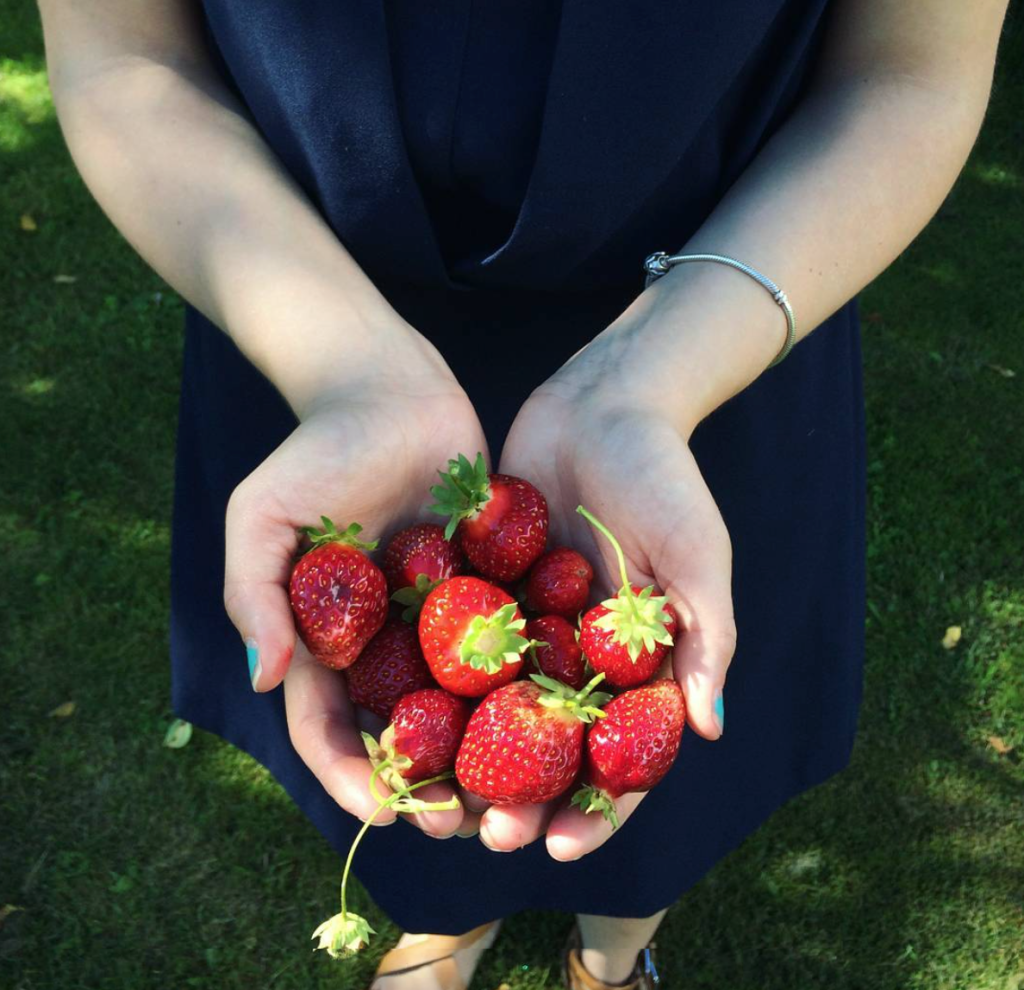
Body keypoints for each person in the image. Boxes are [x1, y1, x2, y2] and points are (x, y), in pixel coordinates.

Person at [38, 0, 1010, 987]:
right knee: (398, 759)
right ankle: (446, 924)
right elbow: (124, 57)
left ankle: (617, 948)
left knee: (670, 739)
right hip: (307, 318)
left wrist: (650, 383)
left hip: (710, 331)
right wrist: (341, 366)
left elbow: (908, 72)